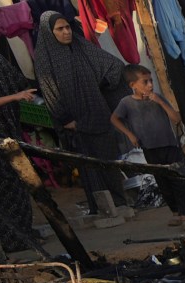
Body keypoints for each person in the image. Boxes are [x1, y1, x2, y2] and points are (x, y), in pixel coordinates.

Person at [35, 13, 132, 225]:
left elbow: (113, 65)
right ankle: (103, 208)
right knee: (89, 166)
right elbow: (49, 91)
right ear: (49, 33)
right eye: (60, 29)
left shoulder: (80, 46)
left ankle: (119, 202)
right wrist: (65, 118)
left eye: (67, 27)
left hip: (97, 113)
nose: (66, 32)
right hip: (74, 121)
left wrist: (103, 84)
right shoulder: (45, 58)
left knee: (108, 158)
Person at [113, 66, 185, 228]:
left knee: (177, 180)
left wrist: (160, 102)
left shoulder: (158, 98)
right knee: (162, 182)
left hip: (169, 146)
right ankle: (175, 213)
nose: (150, 85)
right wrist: (129, 134)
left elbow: (176, 118)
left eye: (151, 81)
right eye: (145, 82)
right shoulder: (126, 103)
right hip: (150, 148)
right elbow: (114, 119)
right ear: (133, 85)